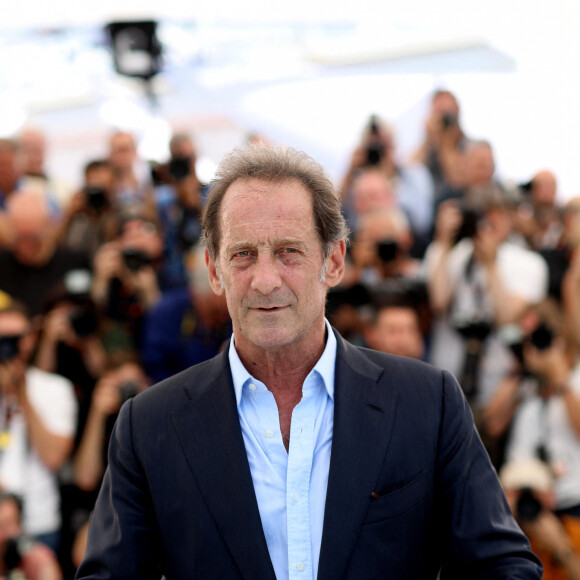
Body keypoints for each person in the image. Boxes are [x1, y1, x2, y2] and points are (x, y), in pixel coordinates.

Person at [76, 145, 541, 579]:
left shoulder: (427, 402)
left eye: (288, 252)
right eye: (243, 255)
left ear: (334, 261)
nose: (264, 279)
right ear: (214, 271)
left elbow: (504, 566)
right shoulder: (149, 426)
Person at [0, 294, 77, 554]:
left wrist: (21, 393)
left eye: (16, 339)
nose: (9, 348)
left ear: (31, 338)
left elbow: (53, 457)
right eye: (2, 340)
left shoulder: (55, 388)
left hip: (40, 525)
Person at [0, 492, 63, 580]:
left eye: (17, 522)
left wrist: (45, 563)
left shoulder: (27, 556)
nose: (14, 532)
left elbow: (48, 568)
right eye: (4, 525)